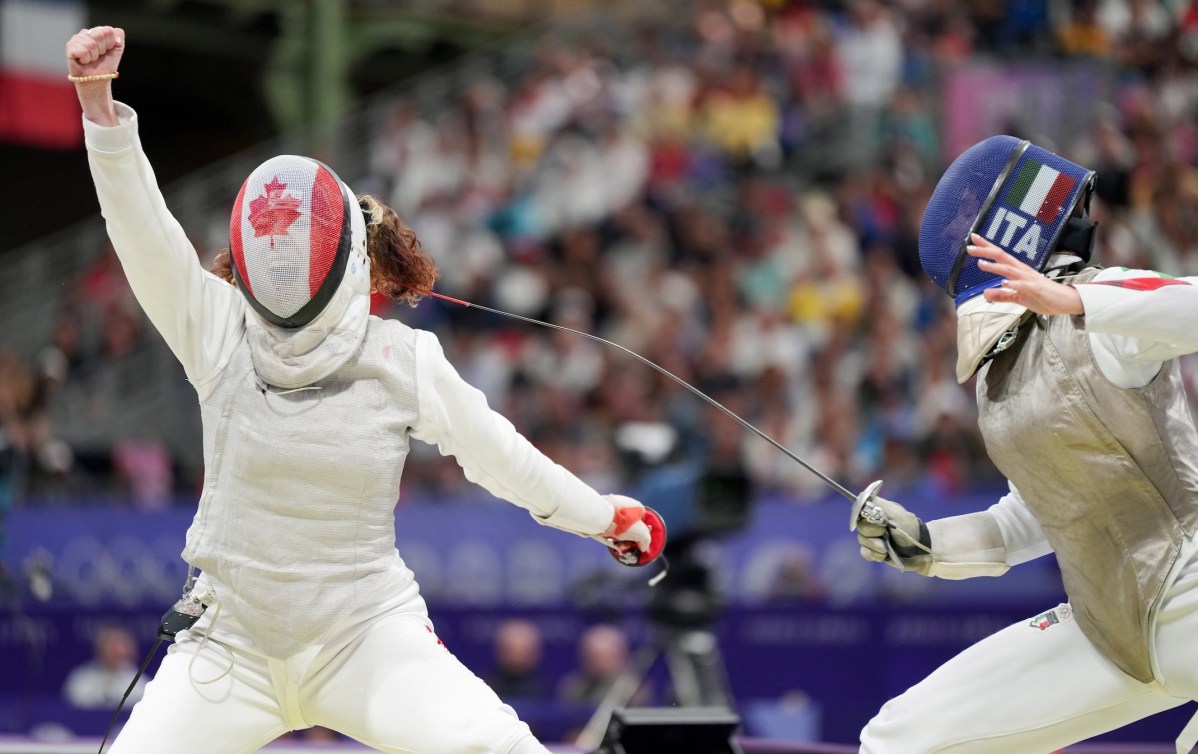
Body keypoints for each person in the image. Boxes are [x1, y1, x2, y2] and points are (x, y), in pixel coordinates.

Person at [66, 26, 663, 754]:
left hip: (365, 637)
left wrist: (601, 515)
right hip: (226, 650)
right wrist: (97, 103)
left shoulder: (396, 360)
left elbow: (503, 458)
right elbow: (142, 233)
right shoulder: (221, 331)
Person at [851, 133, 1198, 753]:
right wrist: (927, 544)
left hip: (1191, 595)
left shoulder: (1104, 302)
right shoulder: (1001, 372)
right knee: (899, 738)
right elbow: (1036, 516)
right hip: (1108, 629)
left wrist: (1078, 299)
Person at [61, 625, 147, 709]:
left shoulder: (139, 681)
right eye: (111, 646)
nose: (115, 651)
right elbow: (72, 707)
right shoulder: (81, 678)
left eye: (119, 646)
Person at [486, 618, 549, 701]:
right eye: (511, 650)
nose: (517, 659)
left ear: (536, 653)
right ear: (499, 650)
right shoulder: (484, 690)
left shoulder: (547, 694)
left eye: (525, 651)